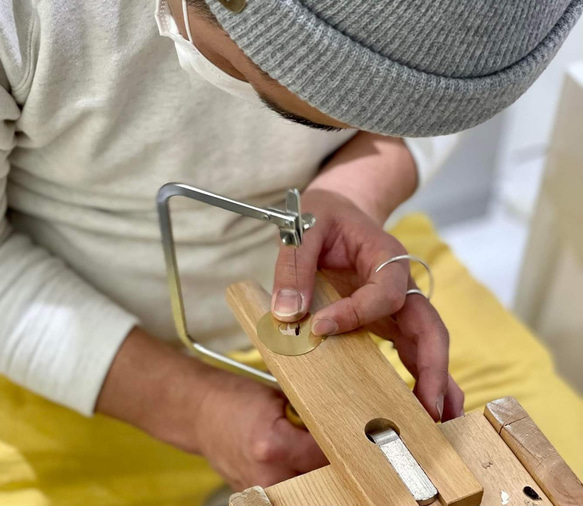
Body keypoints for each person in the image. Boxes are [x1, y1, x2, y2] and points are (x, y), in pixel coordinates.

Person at [0, 0, 580, 493]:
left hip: (356, 263)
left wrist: (354, 191)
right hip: (63, 335)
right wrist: (193, 409)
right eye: (281, 94)